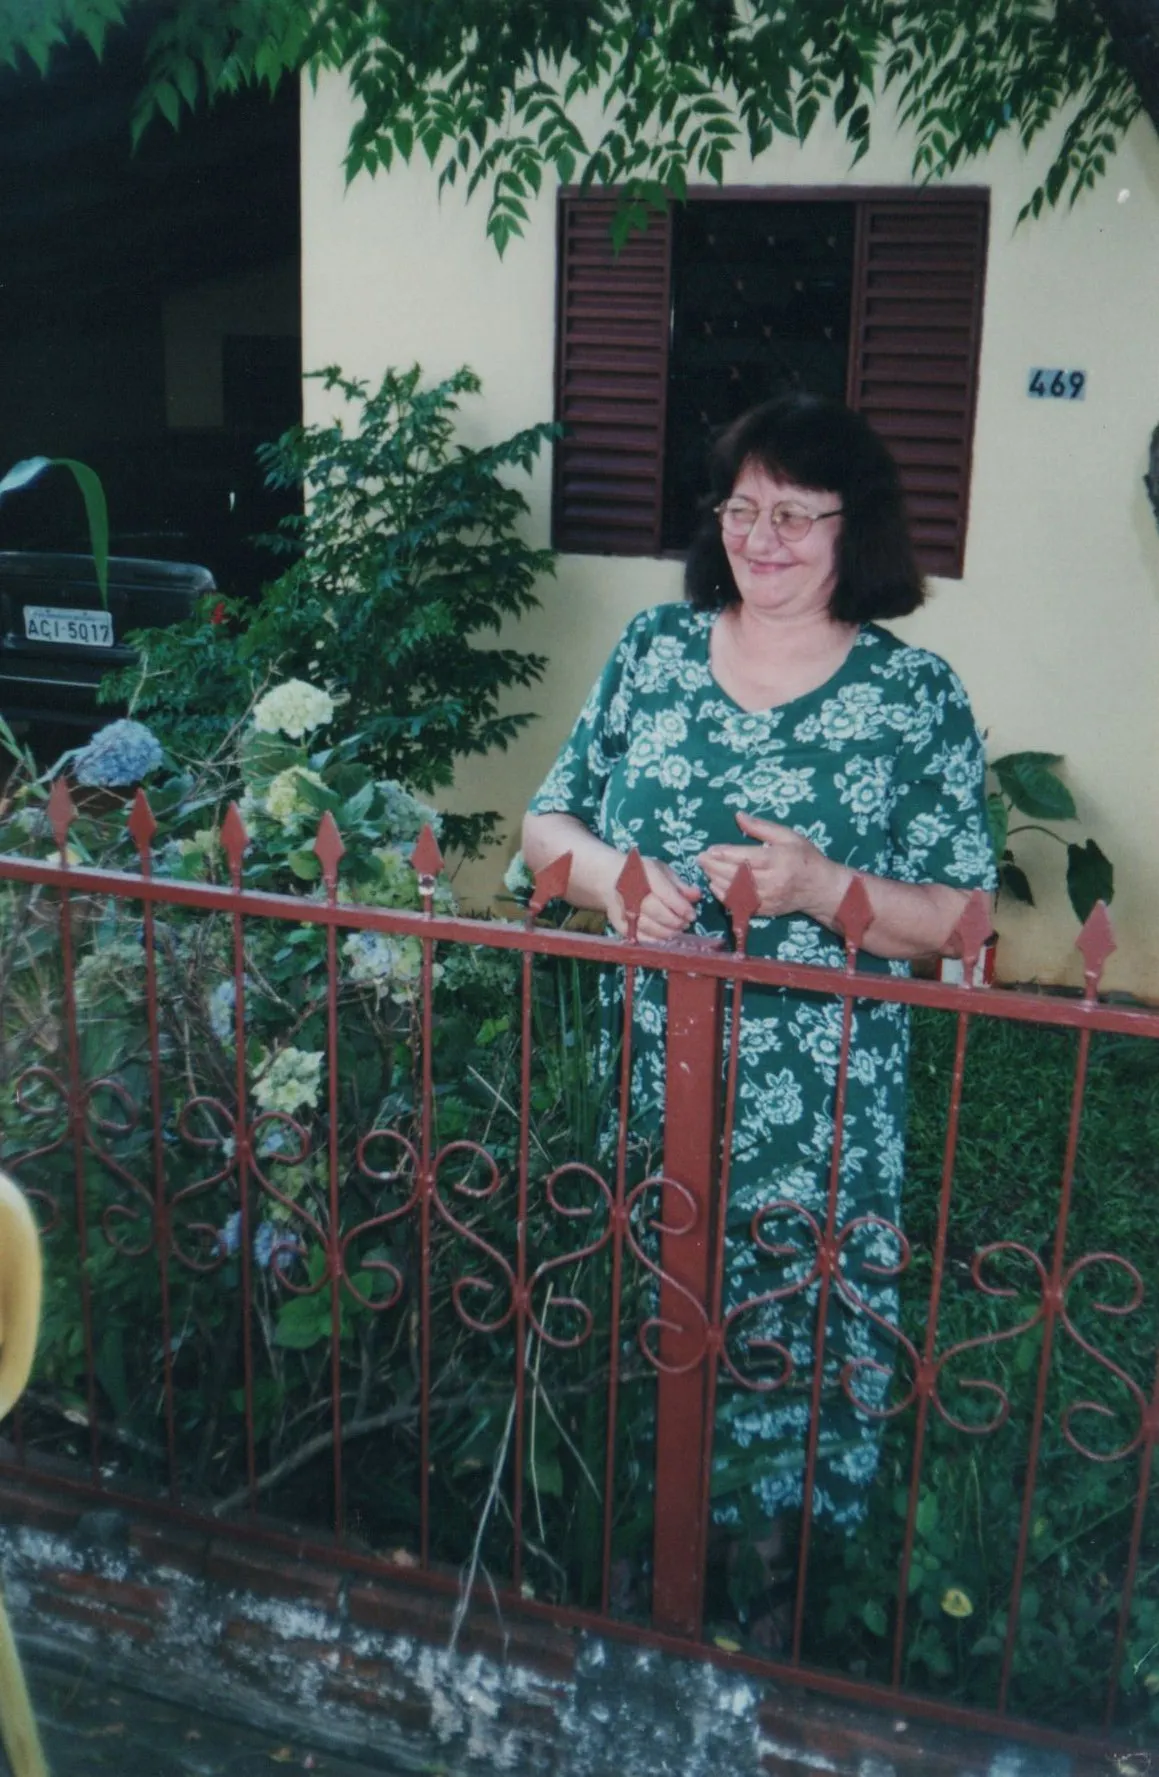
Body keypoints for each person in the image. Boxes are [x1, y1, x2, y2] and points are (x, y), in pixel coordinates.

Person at [521, 393, 996, 1567]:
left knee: (801, 1309)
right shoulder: (654, 650)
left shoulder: (913, 694)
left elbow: (962, 920)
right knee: (639, 1287)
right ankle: (626, 1536)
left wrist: (822, 885)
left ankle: (783, 1564)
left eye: (793, 512)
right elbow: (546, 824)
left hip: (819, 1095)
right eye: (741, 507)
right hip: (642, 1060)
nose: (760, 536)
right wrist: (611, 876)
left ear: (856, 530)